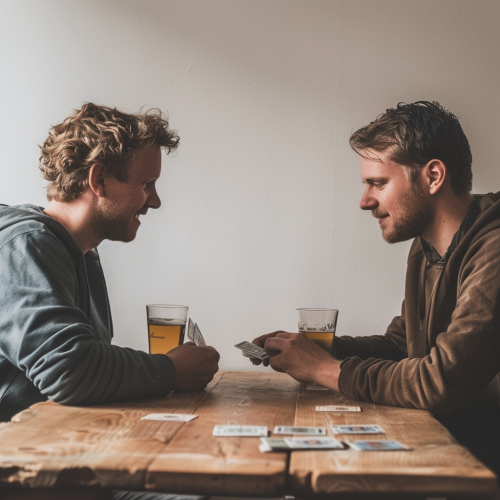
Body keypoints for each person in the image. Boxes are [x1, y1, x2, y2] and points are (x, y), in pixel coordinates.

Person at [252, 101, 500, 476]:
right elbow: (404, 348)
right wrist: (318, 350)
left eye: (378, 183)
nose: (365, 201)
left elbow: (441, 380)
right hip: (449, 454)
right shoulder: (426, 247)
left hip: (482, 469)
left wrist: (326, 370)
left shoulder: (493, 249)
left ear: (433, 176)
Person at [0, 103, 220, 499]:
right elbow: (69, 371)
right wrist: (170, 370)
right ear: (99, 179)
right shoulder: (27, 245)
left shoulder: (80, 252)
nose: (154, 201)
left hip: (72, 458)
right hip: (28, 473)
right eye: (146, 184)